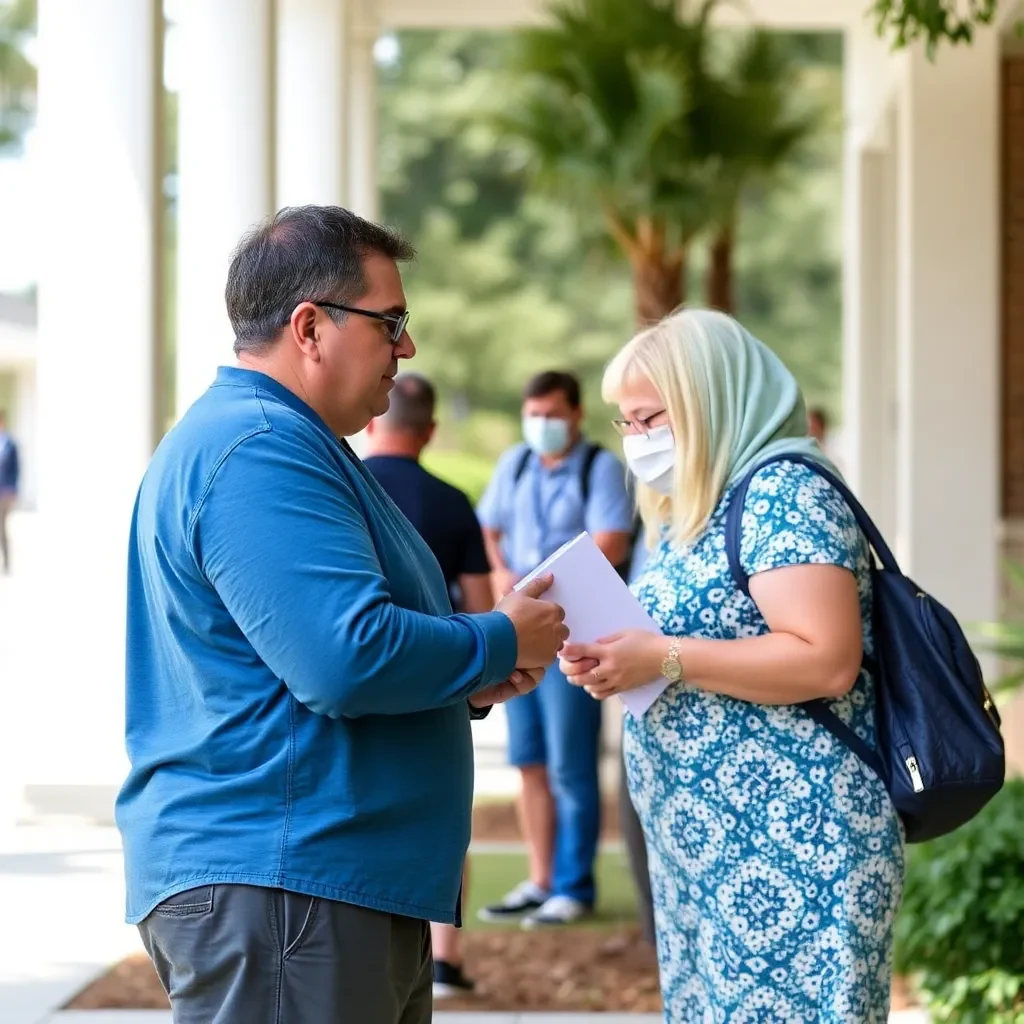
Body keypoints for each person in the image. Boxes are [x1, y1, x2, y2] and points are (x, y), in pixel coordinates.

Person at [115, 205, 569, 1024]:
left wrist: (471, 679)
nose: (408, 347)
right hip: (288, 884)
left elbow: (314, 655)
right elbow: (343, 658)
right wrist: (497, 640)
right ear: (310, 326)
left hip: (320, 884)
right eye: (391, 320)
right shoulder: (258, 449)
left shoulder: (286, 443)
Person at [559, 309, 904, 1021]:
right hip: (715, 845)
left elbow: (825, 659)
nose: (636, 441)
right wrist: (620, 661)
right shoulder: (701, 505)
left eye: (650, 417)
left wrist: (661, 656)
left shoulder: (786, 491)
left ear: (708, 402)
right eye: (625, 425)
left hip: (790, 841)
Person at [476, 370, 634, 928]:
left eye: (550, 413)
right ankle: (540, 879)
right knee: (531, 762)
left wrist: (543, 579)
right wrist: (502, 572)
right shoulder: (515, 463)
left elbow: (611, 540)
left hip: (574, 630)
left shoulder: (600, 468)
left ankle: (574, 885)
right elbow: (489, 526)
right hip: (519, 632)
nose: (540, 423)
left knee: (571, 763)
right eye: (533, 412)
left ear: (574, 415)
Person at [362, 371, 491, 1000]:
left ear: (372, 421)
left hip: (366, 695)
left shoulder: (341, 489)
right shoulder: (451, 500)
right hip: (442, 687)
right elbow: (487, 608)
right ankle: (445, 955)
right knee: (443, 820)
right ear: (431, 429)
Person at [0, 410, 19, 574]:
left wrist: (13, 490)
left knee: (2, 527)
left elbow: (16, 469)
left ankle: (6, 562)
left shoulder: (11, 444)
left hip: (5, 493)